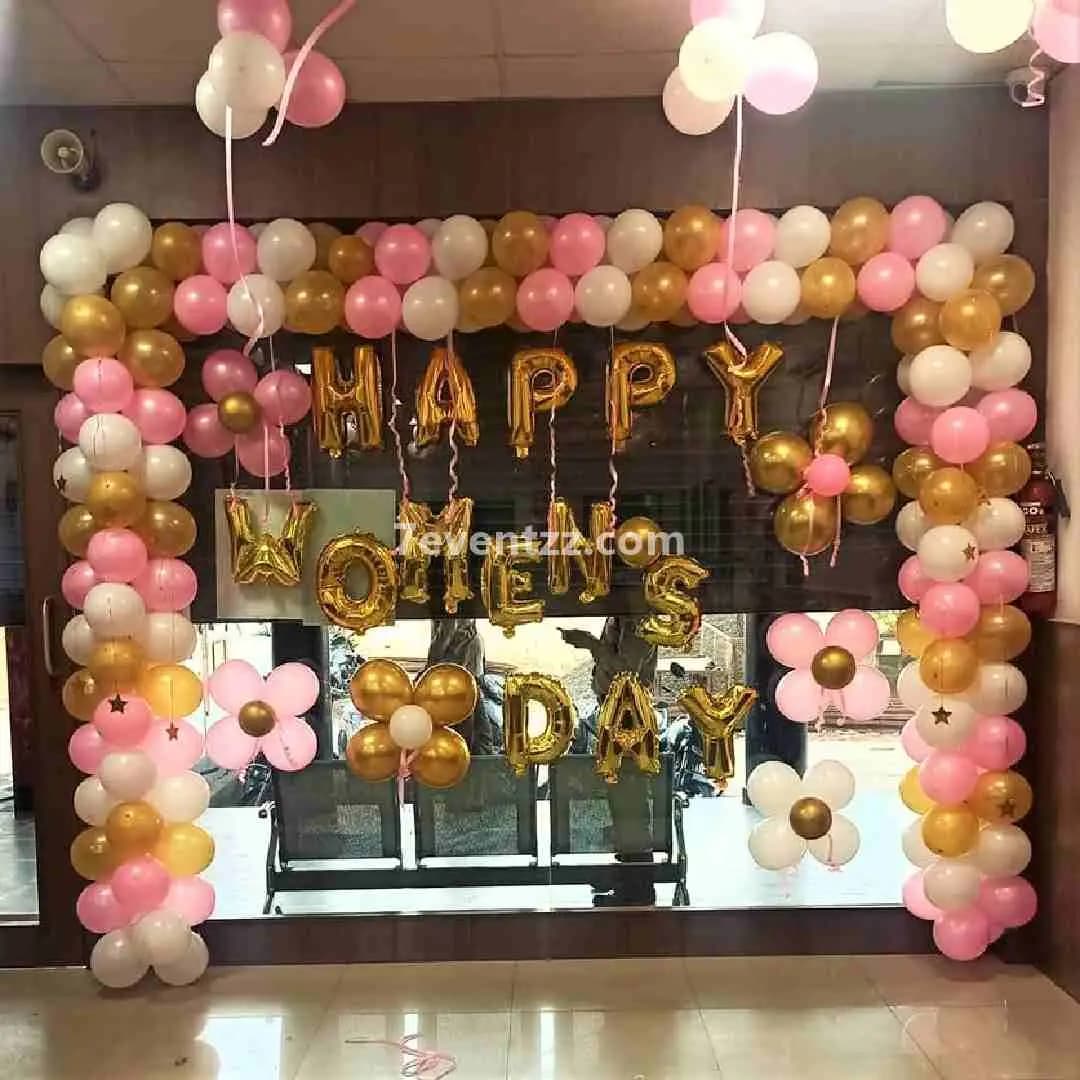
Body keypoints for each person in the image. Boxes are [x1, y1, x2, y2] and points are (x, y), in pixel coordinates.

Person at [561, 616, 658, 906]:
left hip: (629, 716)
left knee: (630, 803)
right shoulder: (624, 615)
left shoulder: (638, 616)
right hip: (619, 712)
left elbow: (625, 671)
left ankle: (637, 887)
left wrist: (591, 644)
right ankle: (630, 878)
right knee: (623, 802)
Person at [426, 618, 500, 754]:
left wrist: (429, 667)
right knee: (475, 707)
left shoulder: (450, 605)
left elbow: (446, 634)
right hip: (467, 656)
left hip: (458, 661)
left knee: (465, 711)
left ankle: (473, 754)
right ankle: (483, 752)